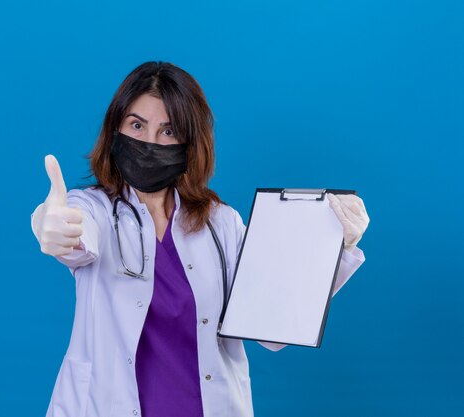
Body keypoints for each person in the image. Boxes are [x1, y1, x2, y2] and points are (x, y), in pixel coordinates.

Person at [30, 61, 370, 417]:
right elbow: (74, 230)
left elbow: (274, 330)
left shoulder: (221, 224)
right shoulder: (95, 209)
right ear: (115, 130)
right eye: (136, 125)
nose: (149, 143)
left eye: (168, 131)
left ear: (189, 142)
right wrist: (53, 225)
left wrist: (333, 246)